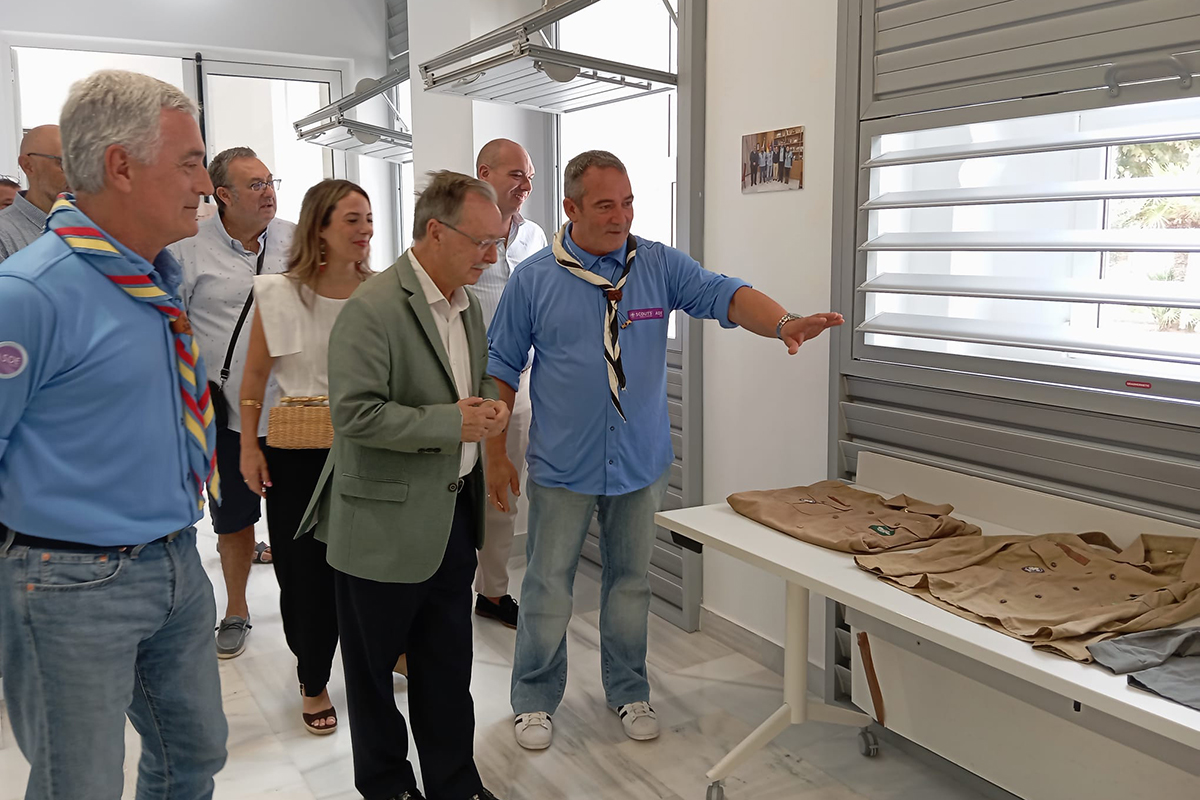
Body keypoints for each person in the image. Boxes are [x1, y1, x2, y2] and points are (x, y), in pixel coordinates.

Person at [487, 150, 843, 750]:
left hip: (639, 461)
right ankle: (534, 700)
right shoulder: (534, 280)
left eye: (627, 203)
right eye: (605, 205)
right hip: (563, 466)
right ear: (571, 208)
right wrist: (496, 453)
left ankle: (629, 690)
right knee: (547, 586)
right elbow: (500, 366)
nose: (621, 216)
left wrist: (783, 323)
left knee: (630, 585)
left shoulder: (656, 265)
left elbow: (724, 293)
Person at [0, 69, 227, 799]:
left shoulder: (156, 279)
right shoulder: (28, 295)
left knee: (194, 757)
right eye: (190, 162)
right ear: (121, 166)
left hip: (176, 558)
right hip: (69, 582)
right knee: (79, 785)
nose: (206, 184)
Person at [298, 171, 509, 800]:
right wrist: (452, 424)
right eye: (481, 242)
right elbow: (354, 416)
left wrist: (490, 404)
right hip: (381, 525)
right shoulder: (374, 307)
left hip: (452, 519)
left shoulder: (468, 304)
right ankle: (388, 785)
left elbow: (475, 379)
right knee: (372, 675)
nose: (490, 256)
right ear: (436, 232)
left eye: (497, 242)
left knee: (447, 668)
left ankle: (455, 783)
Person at [239, 179, 372, 734]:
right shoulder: (279, 293)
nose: (365, 230)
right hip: (297, 452)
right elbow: (254, 377)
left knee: (373, 567)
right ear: (319, 227)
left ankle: (383, 654)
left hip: (370, 448)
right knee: (304, 575)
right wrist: (249, 445)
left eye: (368, 219)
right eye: (352, 220)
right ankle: (313, 678)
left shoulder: (382, 293)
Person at [173, 146, 295, 659]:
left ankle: (308, 616)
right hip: (224, 415)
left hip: (294, 413)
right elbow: (174, 330)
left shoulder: (295, 239)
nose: (268, 192)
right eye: (255, 185)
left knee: (297, 522)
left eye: (270, 181)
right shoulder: (187, 250)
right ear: (222, 195)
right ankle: (237, 609)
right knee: (234, 519)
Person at [471, 138, 548, 629]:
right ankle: (436, 595)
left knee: (504, 492)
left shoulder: (534, 236)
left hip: (515, 388)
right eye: (517, 174)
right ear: (485, 172)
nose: (526, 185)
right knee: (450, 492)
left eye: (530, 177)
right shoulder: (457, 228)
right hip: (459, 384)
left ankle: (493, 592)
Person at [0, 125, 70, 262]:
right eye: (64, 163)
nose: (76, 174)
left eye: (78, 164)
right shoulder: (4, 237)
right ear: (28, 166)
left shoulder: (91, 226)